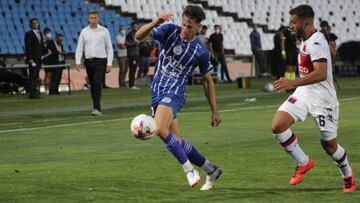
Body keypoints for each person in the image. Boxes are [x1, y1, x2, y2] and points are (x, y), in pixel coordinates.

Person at [135, 5, 222, 190]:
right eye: (183, 24)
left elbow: (208, 81)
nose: (185, 29)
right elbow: (138, 36)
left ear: (199, 27)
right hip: (157, 92)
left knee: (158, 128)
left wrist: (214, 110)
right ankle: (211, 169)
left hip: (175, 93)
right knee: (177, 142)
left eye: (190, 26)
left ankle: (190, 171)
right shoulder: (169, 31)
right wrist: (156, 21)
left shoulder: (201, 52)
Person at [271, 5, 356, 193]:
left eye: (294, 22)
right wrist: (297, 86)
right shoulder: (305, 39)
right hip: (304, 93)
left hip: (323, 100)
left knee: (329, 146)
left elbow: (321, 74)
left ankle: (348, 174)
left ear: (305, 22)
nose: (290, 26)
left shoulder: (317, 42)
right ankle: (303, 162)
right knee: (277, 126)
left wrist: (292, 83)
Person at [75, 10, 113, 116]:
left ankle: (97, 108)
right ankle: (95, 105)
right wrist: (78, 61)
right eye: (91, 18)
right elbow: (79, 47)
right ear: (88, 19)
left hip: (101, 61)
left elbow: (109, 48)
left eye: (95, 18)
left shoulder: (104, 31)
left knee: (97, 82)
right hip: (88, 61)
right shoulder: (84, 31)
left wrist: (109, 63)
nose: (93, 20)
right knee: (92, 84)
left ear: (98, 18)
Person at [24, 18, 47, 99]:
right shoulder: (28, 34)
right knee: (32, 76)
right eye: (34, 23)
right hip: (32, 59)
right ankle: (32, 94)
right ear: (31, 24)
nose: (35, 24)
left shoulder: (40, 34)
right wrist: (29, 59)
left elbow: (41, 47)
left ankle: (36, 93)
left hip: (39, 58)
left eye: (36, 23)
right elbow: (28, 47)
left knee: (36, 76)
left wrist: (46, 49)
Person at [43, 27, 58, 94]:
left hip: (52, 60)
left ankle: (50, 89)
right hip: (47, 60)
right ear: (45, 33)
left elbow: (54, 50)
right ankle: (47, 89)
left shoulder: (52, 41)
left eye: (49, 33)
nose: (48, 34)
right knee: (48, 75)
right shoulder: (43, 42)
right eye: (47, 33)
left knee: (50, 75)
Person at [126, 21, 140, 89]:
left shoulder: (137, 34)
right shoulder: (129, 34)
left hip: (136, 54)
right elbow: (126, 43)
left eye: (137, 26)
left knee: (134, 69)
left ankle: (132, 84)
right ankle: (131, 85)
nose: (136, 28)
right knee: (132, 69)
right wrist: (135, 43)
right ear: (132, 27)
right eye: (134, 26)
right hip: (132, 54)